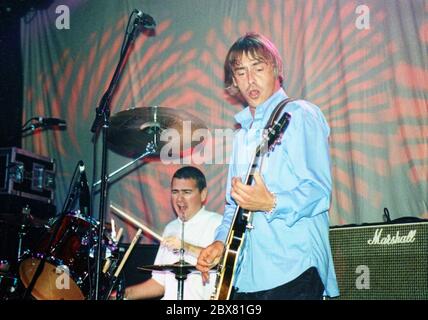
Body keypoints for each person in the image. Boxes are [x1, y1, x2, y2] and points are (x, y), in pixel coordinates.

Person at [196, 32, 339, 300]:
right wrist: (220, 243)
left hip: (293, 269)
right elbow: (233, 205)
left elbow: (318, 192)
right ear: (234, 81)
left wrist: (271, 202)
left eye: (258, 68)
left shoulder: (299, 115)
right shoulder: (241, 136)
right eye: (241, 72)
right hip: (245, 275)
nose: (250, 80)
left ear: (276, 69)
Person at [115, 166, 222, 300]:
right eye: (175, 192)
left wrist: (185, 246)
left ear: (203, 194)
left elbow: (222, 261)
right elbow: (159, 284)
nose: (179, 199)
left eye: (187, 192)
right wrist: (123, 294)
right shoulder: (170, 228)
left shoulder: (218, 224)